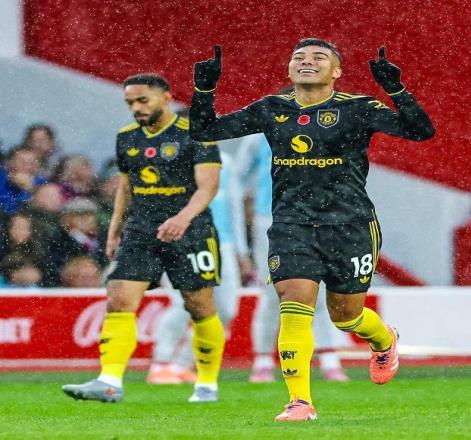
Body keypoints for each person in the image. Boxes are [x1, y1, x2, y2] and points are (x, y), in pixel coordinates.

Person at [190, 39, 435, 421]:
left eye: (319, 57)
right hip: (292, 224)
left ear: (336, 71)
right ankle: (299, 401)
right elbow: (204, 130)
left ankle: (384, 339)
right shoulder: (272, 108)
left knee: (346, 316)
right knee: (294, 301)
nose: (307, 61)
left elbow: (421, 131)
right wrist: (204, 90)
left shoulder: (358, 108)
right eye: (299, 57)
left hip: (351, 225)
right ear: (289, 70)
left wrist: (395, 89)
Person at [62, 73, 224, 403]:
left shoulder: (196, 134)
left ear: (165, 97)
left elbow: (208, 186)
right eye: (130, 103)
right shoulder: (127, 138)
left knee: (199, 306)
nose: (136, 108)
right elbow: (125, 188)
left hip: (191, 230)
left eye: (142, 100)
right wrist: (114, 230)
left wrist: (182, 218)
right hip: (141, 229)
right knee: (119, 297)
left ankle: (207, 383)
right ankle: (109, 381)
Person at [235, 134, 348, 383]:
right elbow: (237, 181)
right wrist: (241, 221)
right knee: (272, 292)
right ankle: (263, 360)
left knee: (317, 289)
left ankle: (329, 359)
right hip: (269, 220)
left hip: (313, 220)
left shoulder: (321, 131)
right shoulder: (259, 138)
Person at [147, 151, 245, 384]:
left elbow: (234, 207)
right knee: (182, 304)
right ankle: (160, 364)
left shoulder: (225, 161)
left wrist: (241, 250)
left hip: (223, 243)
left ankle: (182, 365)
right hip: (181, 240)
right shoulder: (168, 156)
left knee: (226, 310)